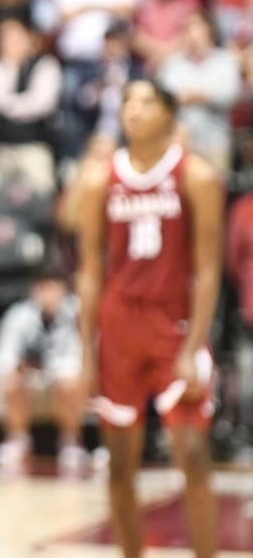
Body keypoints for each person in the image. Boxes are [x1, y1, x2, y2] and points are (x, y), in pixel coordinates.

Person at [75, 78, 221, 558]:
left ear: (169, 114)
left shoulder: (196, 175)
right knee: (119, 463)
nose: (133, 110)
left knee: (194, 456)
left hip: (173, 322)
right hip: (119, 325)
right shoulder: (100, 178)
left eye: (146, 102)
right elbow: (90, 271)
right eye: (127, 102)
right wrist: (86, 353)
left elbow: (208, 269)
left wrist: (193, 344)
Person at [0, 265, 86, 474]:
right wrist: (21, 367)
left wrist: (47, 367)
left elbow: (80, 360)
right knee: (9, 382)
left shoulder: (77, 314)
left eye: (52, 286)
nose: (47, 292)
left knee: (69, 383)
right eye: (42, 286)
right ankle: (18, 441)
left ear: (63, 289)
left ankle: (71, 442)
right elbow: (3, 360)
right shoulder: (18, 315)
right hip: (30, 385)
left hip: (64, 382)